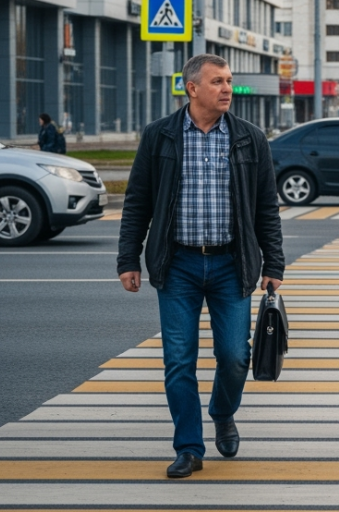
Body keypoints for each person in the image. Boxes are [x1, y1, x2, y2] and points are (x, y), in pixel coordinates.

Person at [116, 53, 285, 479]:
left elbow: (266, 206)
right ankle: (189, 447)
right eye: (217, 82)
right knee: (178, 360)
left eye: (228, 80)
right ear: (192, 89)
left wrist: (274, 262)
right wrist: (127, 259)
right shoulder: (160, 137)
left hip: (232, 263)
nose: (227, 88)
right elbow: (138, 201)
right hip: (178, 265)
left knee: (233, 356)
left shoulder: (249, 138)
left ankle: (223, 412)